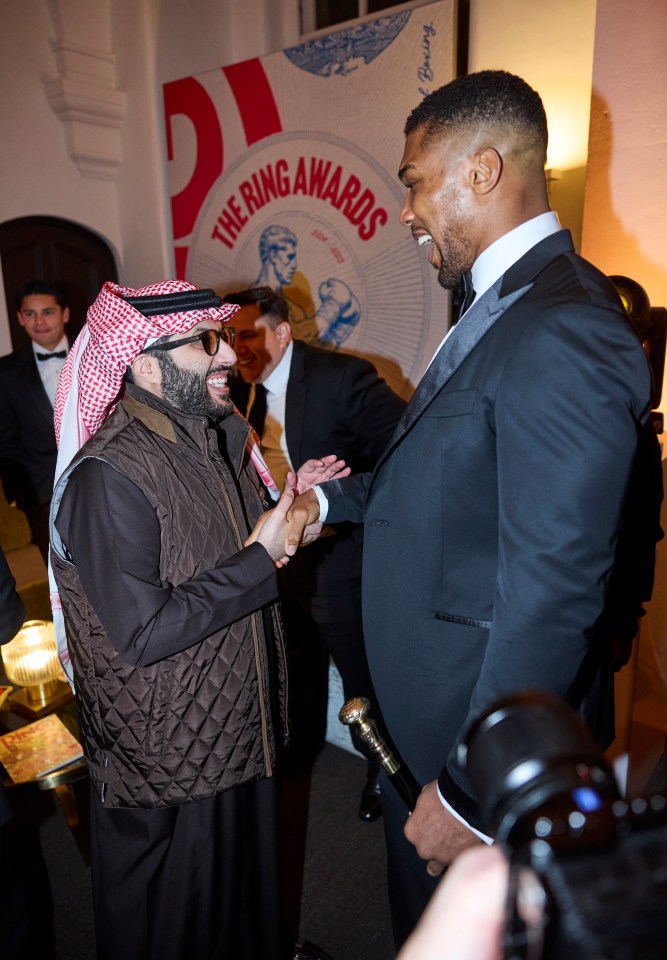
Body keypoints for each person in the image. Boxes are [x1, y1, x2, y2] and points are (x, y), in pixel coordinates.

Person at [284, 70, 660, 946]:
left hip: (467, 745)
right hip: (425, 727)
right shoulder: (503, 304)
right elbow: (439, 486)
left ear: (483, 169)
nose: (405, 211)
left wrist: (472, 789)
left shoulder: (564, 323)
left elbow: (555, 586)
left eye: (413, 180)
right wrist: (322, 498)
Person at [49, 279, 334, 960]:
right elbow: (144, 633)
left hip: (238, 734)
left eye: (226, 339)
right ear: (143, 364)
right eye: (205, 343)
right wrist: (260, 558)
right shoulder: (106, 477)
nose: (227, 358)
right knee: (183, 928)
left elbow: (234, 561)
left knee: (246, 912)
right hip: (170, 764)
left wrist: (288, 514)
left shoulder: (212, 437)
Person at [224, 286, 406, 821]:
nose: (238, 349)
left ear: (282, 332)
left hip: (339, 565)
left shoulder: (341, 378)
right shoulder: (237, 387)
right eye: (234, 336)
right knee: (290, 662)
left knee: (359, 675)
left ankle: (385, 769)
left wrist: (332, 504)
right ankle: (298, 752)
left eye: (251, 334)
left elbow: (408, 450)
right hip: (272, 560)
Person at [0, 280, 70, 559]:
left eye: (48, 312)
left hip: (102, 483)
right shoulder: (5, 372)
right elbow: (5, 440)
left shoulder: (93, 357)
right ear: (20, 318)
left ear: (64, 313)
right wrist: (22, 494)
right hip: (41, 496)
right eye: (30, 313)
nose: (39, 321)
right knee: (57, 575)